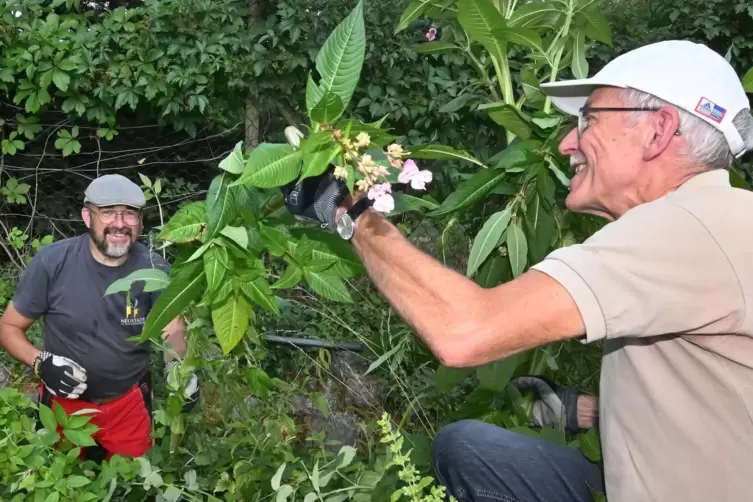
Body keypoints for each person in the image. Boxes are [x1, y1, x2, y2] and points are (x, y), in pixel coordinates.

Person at [282, 40, 753, 501]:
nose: (569, 141)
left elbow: (464, 331)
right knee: (470, 450)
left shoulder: (684, 229)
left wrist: (351, 212)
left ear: (658, 130)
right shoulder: (718, 220)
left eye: (588, 120)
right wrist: (580, 411)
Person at [0, 174, 199, 462]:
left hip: (128, 402)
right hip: (63, 404)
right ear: (87, 216)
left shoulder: (155, 269)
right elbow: (8, 327)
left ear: (140, 221)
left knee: (135, 483)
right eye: (107, 212)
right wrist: (41, 363)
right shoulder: (53, 263)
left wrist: (181, 373)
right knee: (62, 480)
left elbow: (173, 329)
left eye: (129, 213)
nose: (119, 223)